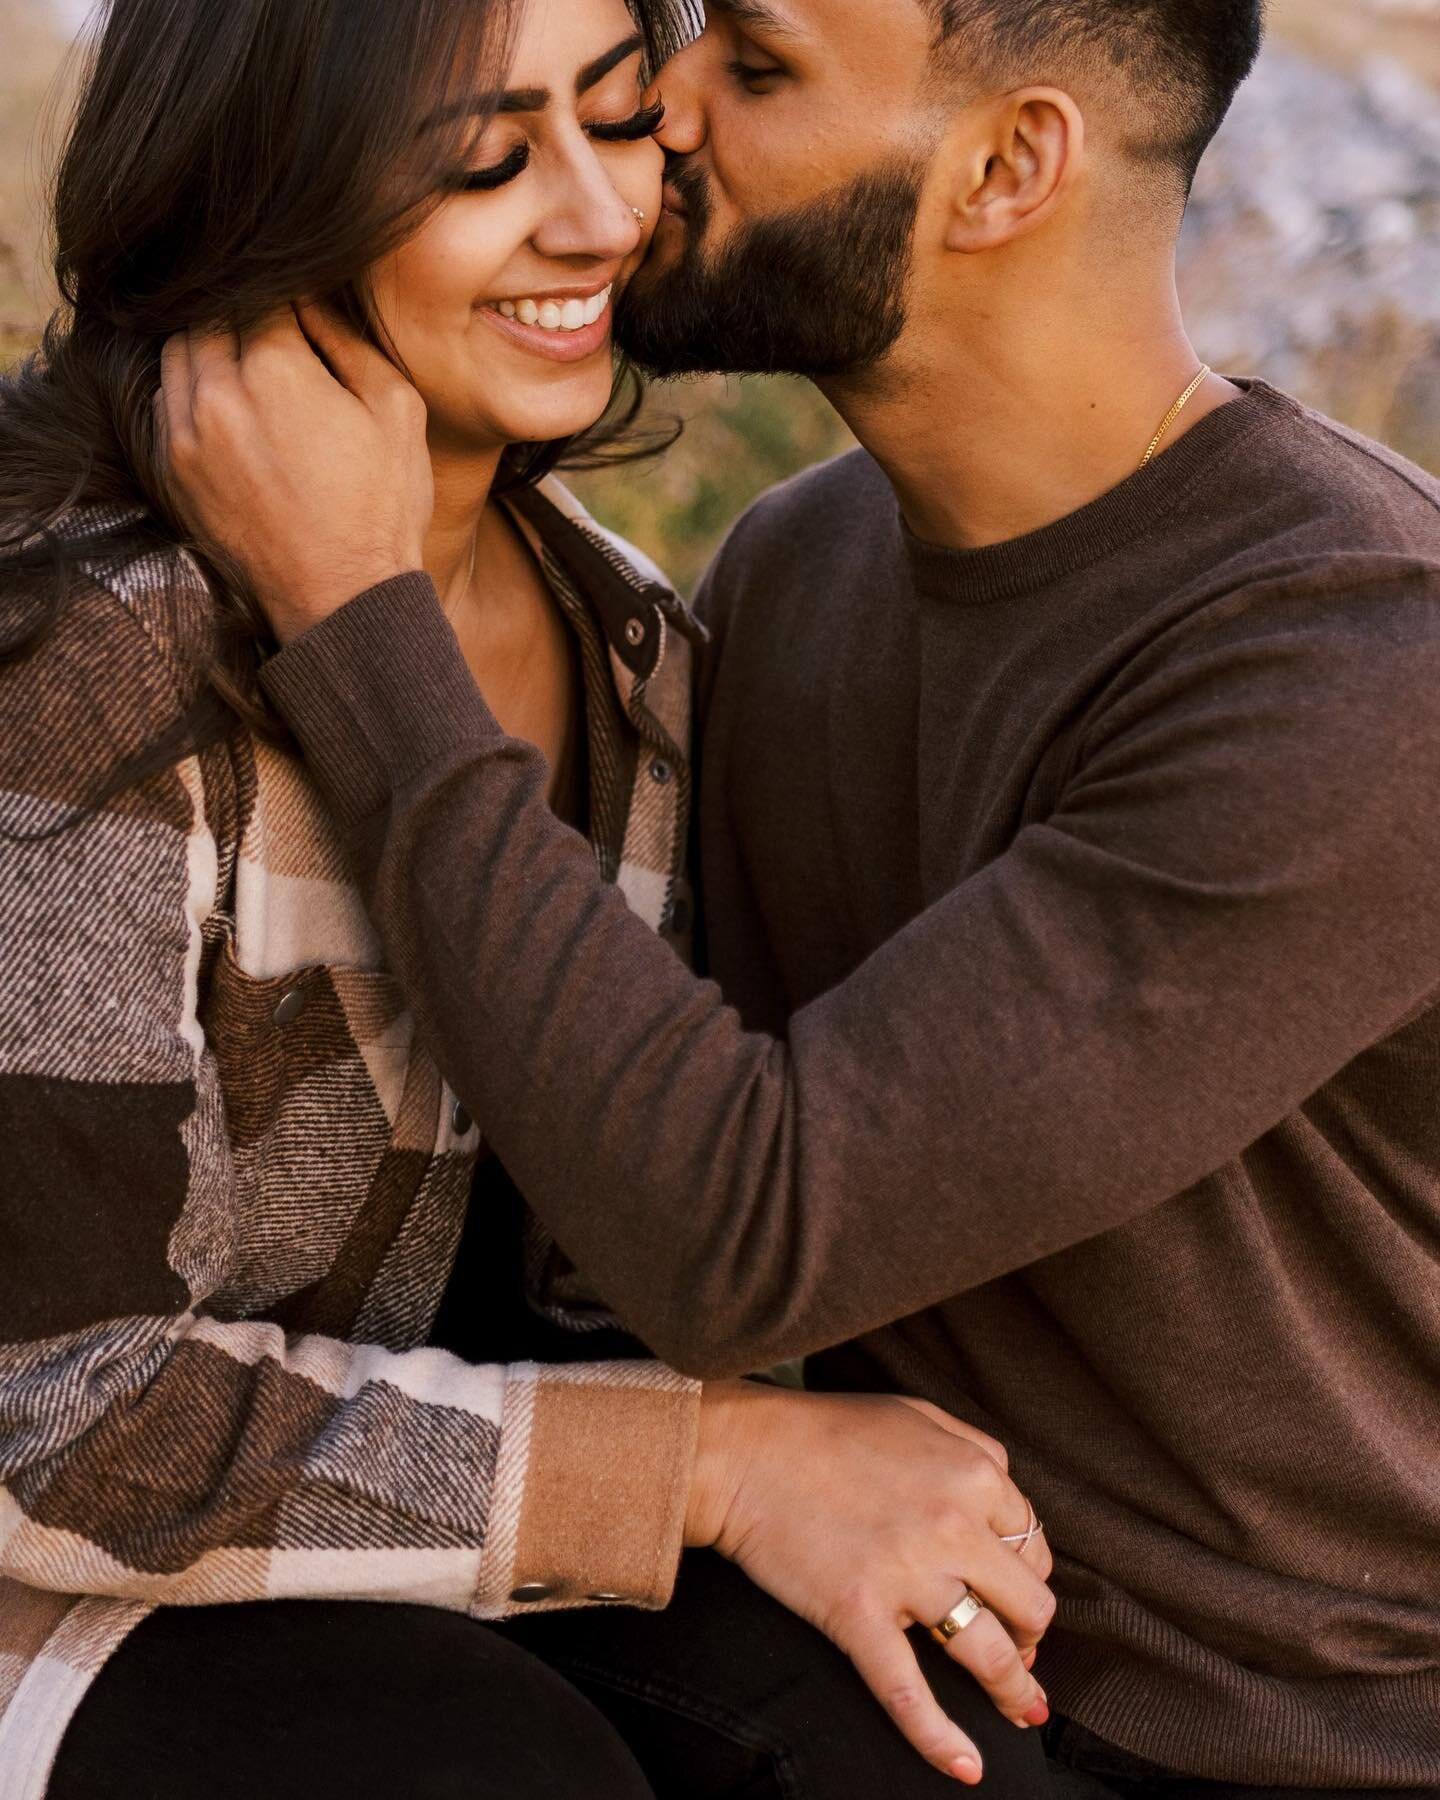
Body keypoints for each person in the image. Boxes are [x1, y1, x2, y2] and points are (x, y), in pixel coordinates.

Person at [161, 0, 1440, 1794]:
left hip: (1238, 1733)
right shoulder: (794, 565)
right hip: (838, 1622)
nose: (660, 115)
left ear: (1006, 167)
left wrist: (356, 614)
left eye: (752, 70)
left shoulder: (1357, 664)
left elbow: (738, 1232)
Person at [0, 2, 1060, 1797]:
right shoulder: (84, 657)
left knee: (916, 1747)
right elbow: (46, 1411)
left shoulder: (633, 640)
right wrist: (712, 1466)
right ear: (276, 191)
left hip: (414, 1525)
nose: (594, 216)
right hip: (63, 1571)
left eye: (623, 117)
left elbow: (599, 1282)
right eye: (485, 159)